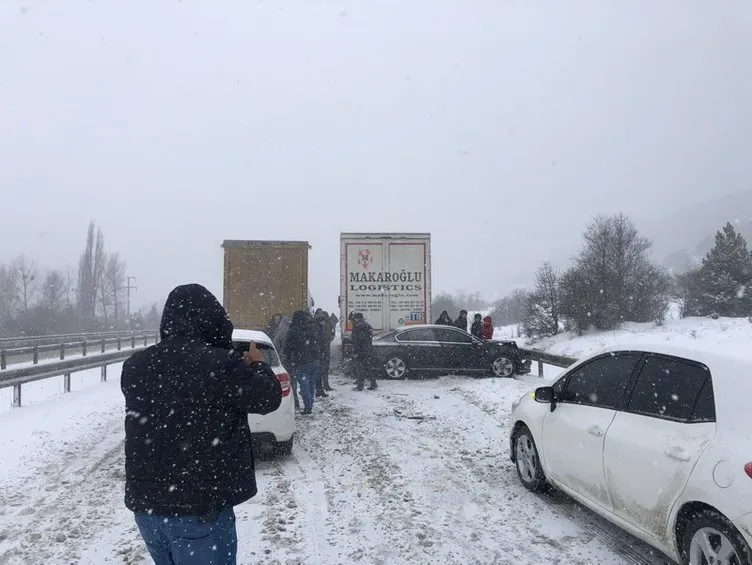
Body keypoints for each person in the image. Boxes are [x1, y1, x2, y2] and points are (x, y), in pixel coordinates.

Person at [121, 284, 282, 565]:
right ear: (212, 321)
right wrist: (256, 364)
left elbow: (176, 401)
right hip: (199, 510)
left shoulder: (136, 365)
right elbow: (267, 397)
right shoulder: (221, 365)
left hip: (148, 510)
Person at [285, 310, 322, 414]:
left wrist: (289, 358)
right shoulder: (311, 328)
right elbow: (316, 343)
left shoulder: (293, 330)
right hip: (314, 360)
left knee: (304, 384)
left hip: (300, 361)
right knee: (311, 383)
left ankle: (308, 406)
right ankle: (310, 404)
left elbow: (288, 347)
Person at [352, 313, 377, 391]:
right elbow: (369, 338)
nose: (354, 320)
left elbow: (359, 340)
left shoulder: (359, 327)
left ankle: (360, 386)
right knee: (368, 368)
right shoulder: (368, 326)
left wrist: (357, 351)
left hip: (361, 351)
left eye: (355, 318)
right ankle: (373, 383)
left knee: (360, 369)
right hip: (368, 350)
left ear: (358, 318)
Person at [314, 310, 335, 395]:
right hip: (322, 352)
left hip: (323, 351)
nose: (324, 321)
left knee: (322, 369)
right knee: (322, 370)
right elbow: (321, 341)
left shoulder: (320, 327)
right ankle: (322, 388)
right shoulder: (318, 329)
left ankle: (322, 387)